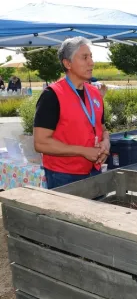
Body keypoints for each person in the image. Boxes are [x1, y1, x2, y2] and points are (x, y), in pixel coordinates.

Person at [34, 36, 110, 189]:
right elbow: (41, 143)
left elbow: (102, 128)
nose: (91, 62)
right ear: (67, 63)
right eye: (84, 57)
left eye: (91, 57)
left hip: (94, 170)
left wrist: (106, 143)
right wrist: (82, 151)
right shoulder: (52, 95)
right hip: (64, 175)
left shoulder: (95, 93)